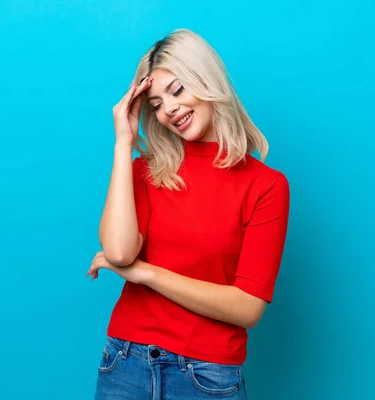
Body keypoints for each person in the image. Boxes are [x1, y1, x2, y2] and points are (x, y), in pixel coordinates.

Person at [87, 28, 290, 399]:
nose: (169, 110)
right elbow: (118, 253)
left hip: (206, 375)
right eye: (156, 104)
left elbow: (247, 308)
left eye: (177, 90)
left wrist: (147, 273)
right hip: (125, 361)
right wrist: (123, 143)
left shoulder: (266, 185)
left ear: (206, 79)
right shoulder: (145, 172)